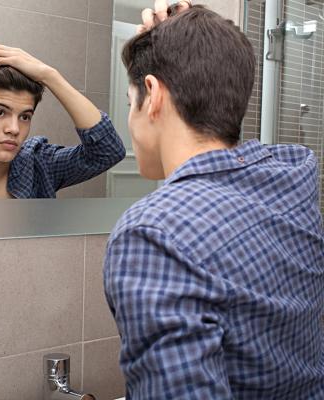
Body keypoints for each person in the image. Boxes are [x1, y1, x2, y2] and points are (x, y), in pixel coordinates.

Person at [103, 1, 324, 399]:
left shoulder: (153, 235)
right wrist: (200, 43)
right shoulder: (293, 184)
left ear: (151, 95)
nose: (131, 121)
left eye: (129, 101)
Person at [0, 45, 125, 199]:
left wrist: (49, 76)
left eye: (25, 117)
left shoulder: (39, 165)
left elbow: (108, 151)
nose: (14, 129)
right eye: (0, 112)